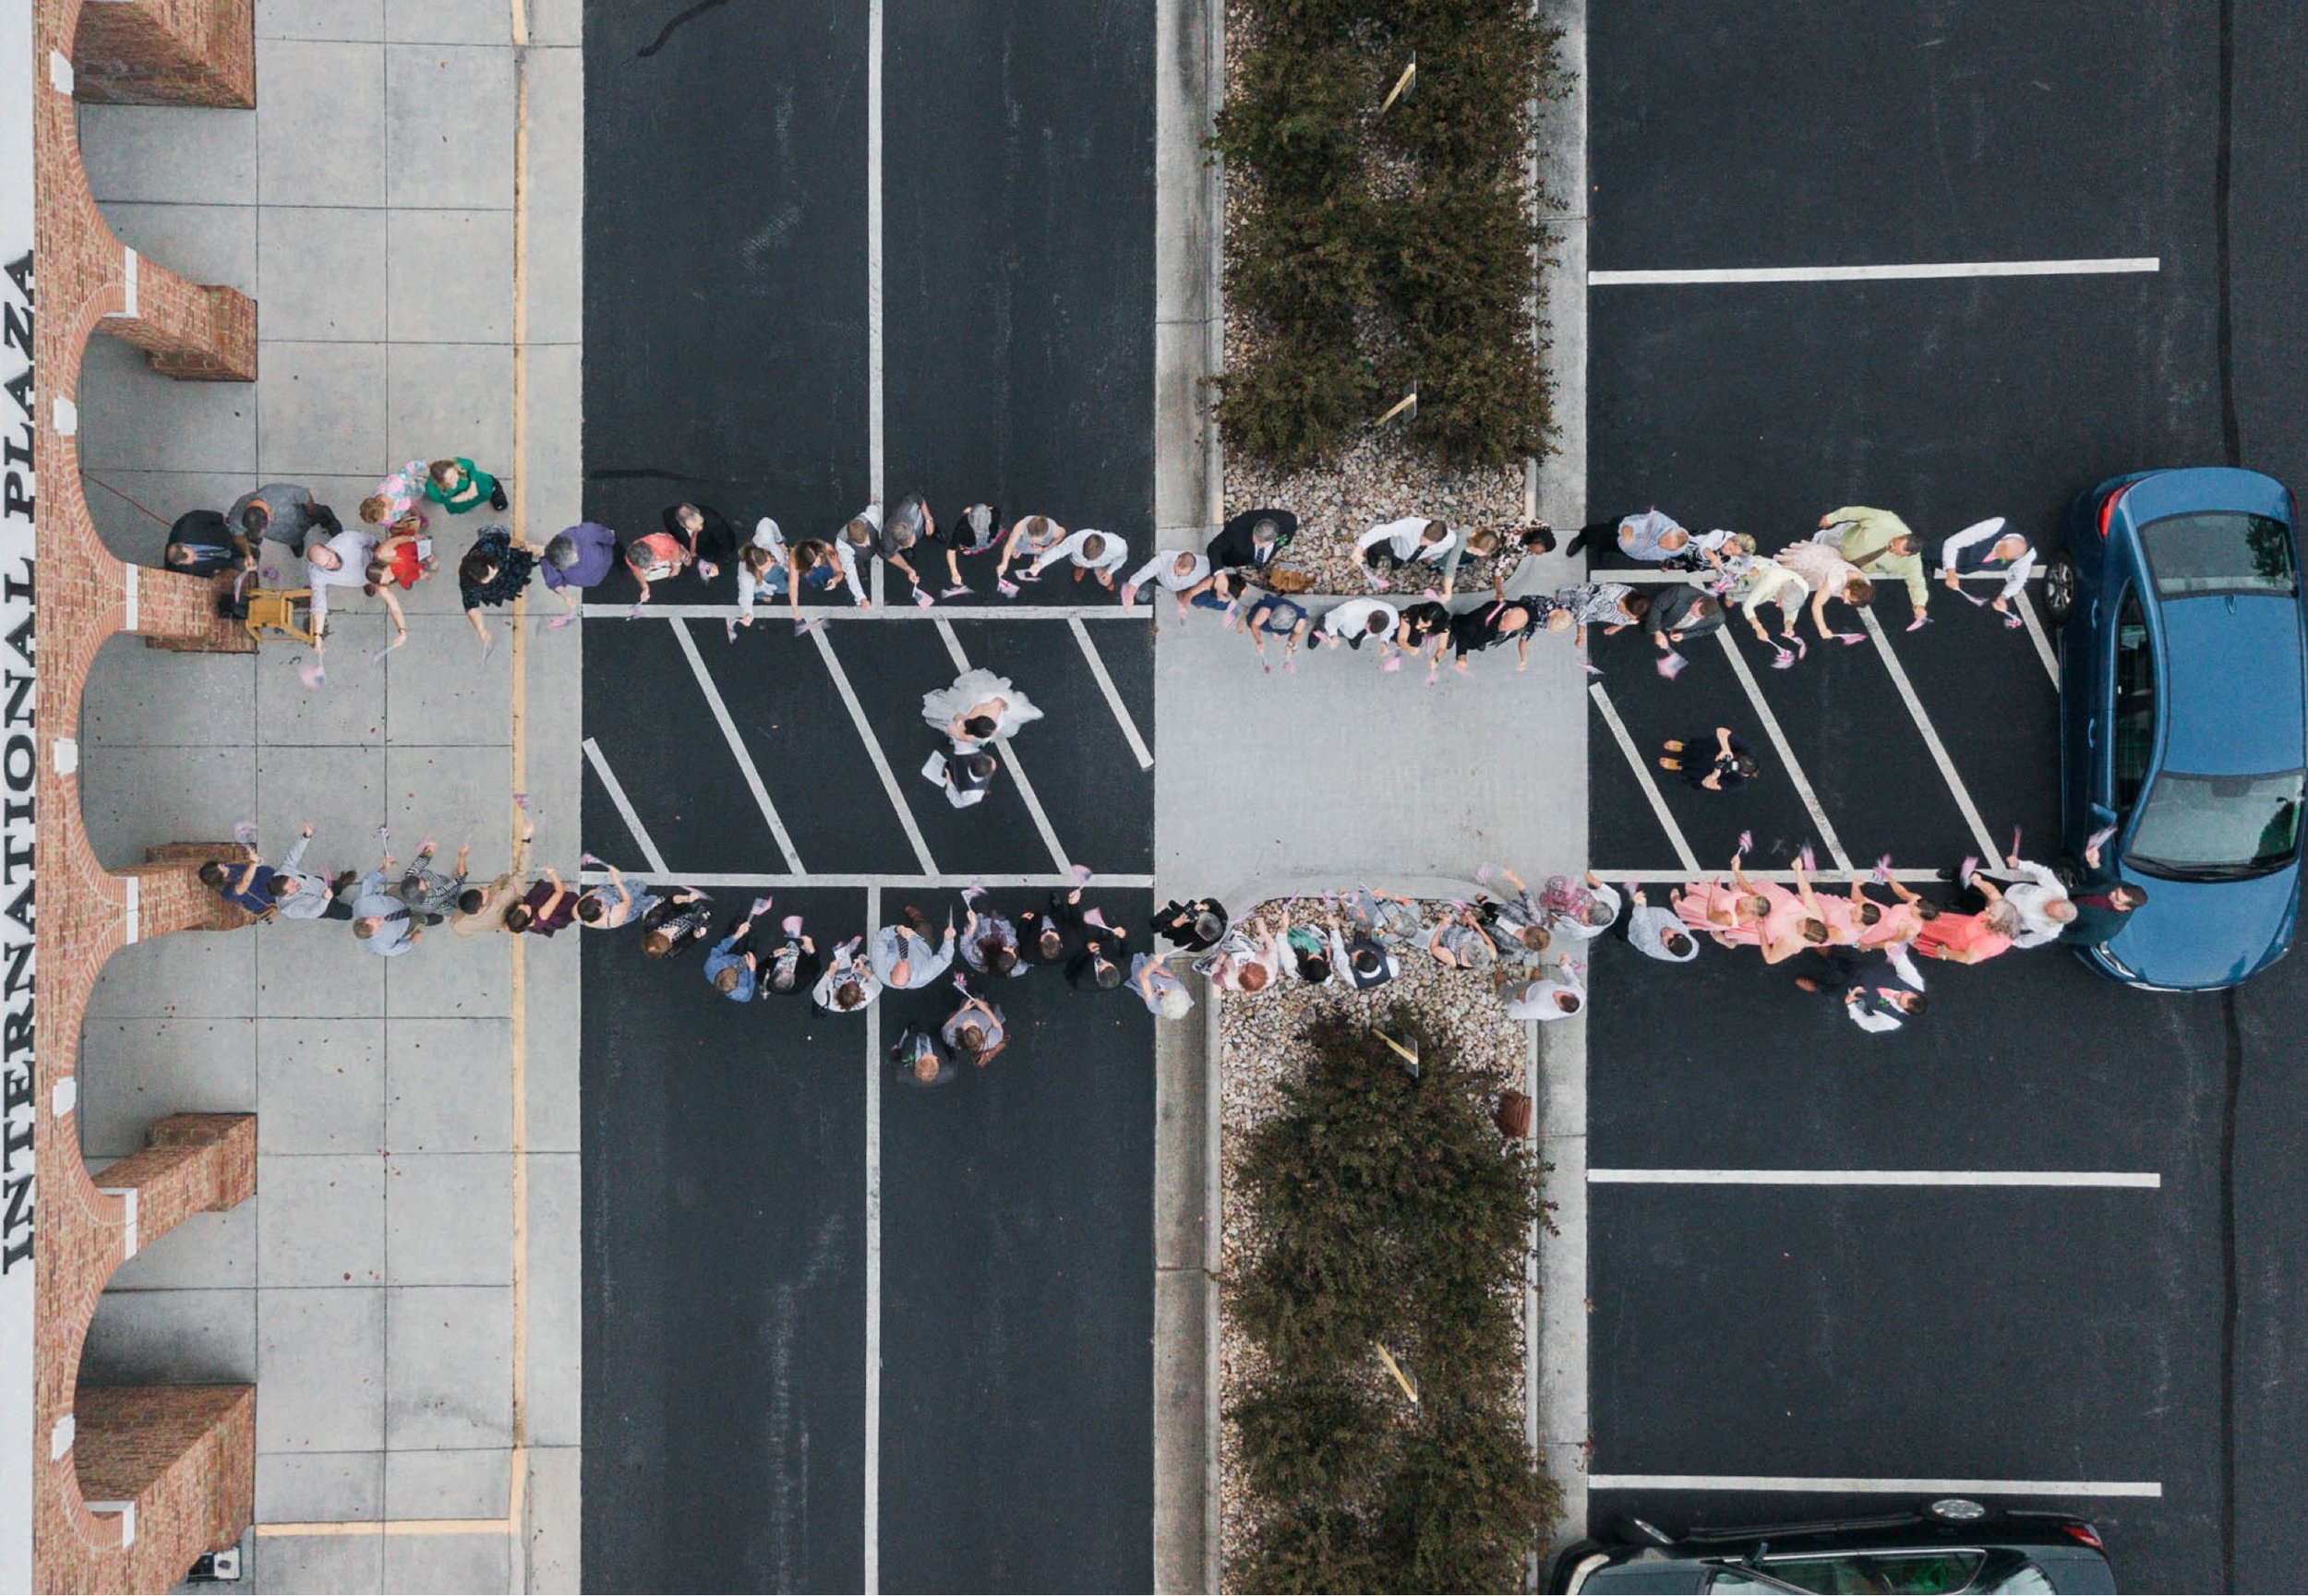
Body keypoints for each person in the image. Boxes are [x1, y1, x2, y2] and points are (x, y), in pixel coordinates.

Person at [1820, 505, 1929, 628]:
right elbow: (1856, 512)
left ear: (1908, 555)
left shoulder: (1911, 561)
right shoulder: (1885, 521)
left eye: (1896, 553)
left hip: (1852, 567)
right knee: (1813, 549)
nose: (1891, 549)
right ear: (1901, 536)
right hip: (1840, 541)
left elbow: (1917, 582)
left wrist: (1919, 605)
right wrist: (1832, 518)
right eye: (1893, 544)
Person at [1792, 947, 1927, 1032]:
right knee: (1847, 965)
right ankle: (1831, 958)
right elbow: (1900, 959)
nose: (1897, 995)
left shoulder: (1891, 1021)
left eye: (1898, 1000)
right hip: (1865, 972)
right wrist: (1891, 947)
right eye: (1902, 993)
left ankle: (1818, 987)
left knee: (1834, 992)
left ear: (1905, 1011)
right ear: (1914, 993)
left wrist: (1850, 1004)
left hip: (1856, 994)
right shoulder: (1915, 983)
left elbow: (1866, 1024)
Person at [305, 522, 384, 661]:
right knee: (362, 581)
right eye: (324, 565)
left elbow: (370, 540)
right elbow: (319, 602)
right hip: (357, 579)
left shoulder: (347, 540)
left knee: (379, 580)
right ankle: (366, 583)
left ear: (329, 548)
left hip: (373, 565)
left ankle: (370, 581)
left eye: (329, 559)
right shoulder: (316, 573)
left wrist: (381, 559)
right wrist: (317, 635)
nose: (331, 564)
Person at [1768, 539, 1875, 640]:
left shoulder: (1865, 583)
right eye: (1849, 598)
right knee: (1785, 576)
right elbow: (1817, 604)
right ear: (1849, 586)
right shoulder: (1837, 578)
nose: (1846, 602)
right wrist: (1822, 629)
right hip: (1813, 562)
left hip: (1829, 557)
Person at [1939, 517, 2034, 625]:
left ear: (2015, 558)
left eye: (2001, 558)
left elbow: (2019, 581)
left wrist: (2004, 596)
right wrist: (1950, 571)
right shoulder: (1995, 527)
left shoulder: (2027, 557)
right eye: (1997, 549)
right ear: (2003, 539)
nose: (1993, 555)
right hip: (1944, 549)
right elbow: (1952, 542)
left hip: (1964, 566)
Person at [461, 525, 541, 647]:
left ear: (489, 565)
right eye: (488, 579)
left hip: (508, 563)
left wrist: (522, 546)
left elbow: (508, 541)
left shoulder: (489, 544)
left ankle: (491, 530)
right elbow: (472, 607)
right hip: (498, 585)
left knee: (499, 535)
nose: (493, 575)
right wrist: (481, 630)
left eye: (491, 572)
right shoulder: (468, 583)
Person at [1976, 851, 2075, 948]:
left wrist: (2006, 941)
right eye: (2050, 903)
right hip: (2008, 891)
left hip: (1998, 916)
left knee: (1969, 903)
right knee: (1974, 878)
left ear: (2054, 920)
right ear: (2060, 899)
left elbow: (2026, 941)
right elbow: (2042, 872)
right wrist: (2020, 864)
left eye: (2047, 911)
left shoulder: (2050, 931)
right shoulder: (2058, 890)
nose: (2045, 906)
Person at [2060, 838, 2148, 946]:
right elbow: (2107, 878)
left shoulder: (2108, 928)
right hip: (2062, 896)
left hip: (2056, 918)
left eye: (2117, 898)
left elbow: (2070, 937)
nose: (2112, 893)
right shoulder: (2122, 887)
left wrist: (2045, 928)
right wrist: (2094, 862)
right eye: (2116, 891)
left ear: (2126, 908)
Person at [452, 820, 535, 935]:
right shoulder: (503, 897)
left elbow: (458, 928)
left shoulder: (459, 925)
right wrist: (526, 839)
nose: (484, 889)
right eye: (483, 893)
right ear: (480, 907)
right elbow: (521, 872)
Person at [921, 668, 1042, 746]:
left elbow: (999, 700)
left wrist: (1005, 707)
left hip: (986, 700)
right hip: (982, 704)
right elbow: (956, 732)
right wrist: (1005, 708)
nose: (995, 732)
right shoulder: (967, 734)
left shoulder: (991, 711)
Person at [1438, 522, 1556, 602]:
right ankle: (1438, 562)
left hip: (1491, 538)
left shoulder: (1543, 528)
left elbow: (1536, 522)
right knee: (1462, 556)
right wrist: (1499, 591)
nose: (1540, 554)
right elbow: (1498, 569)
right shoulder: (1513, 544)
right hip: (1490, 544)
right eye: (1542, 550)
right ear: (1537, 541)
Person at [268, 823, 358, 921]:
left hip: (319, 884)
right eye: (292, 886)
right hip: (322, 906)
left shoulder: (284, 872)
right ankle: (354, 912)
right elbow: (313, 911)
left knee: (336, 885)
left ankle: (341, 884)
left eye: (292, 880)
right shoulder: (290, 910)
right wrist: (325, 899)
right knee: (347, 913)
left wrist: (306, 837)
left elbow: (294, 854)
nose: (296, 883)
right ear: (286, 895)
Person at [350, 854, 434, 955]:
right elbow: (394, 950)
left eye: (375, 919)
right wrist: (412, 940)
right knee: (421, 919)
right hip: (406, 924)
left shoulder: (362, 903)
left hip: (396, 897)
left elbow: (370, 882)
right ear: (372, 936)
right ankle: (425, 919)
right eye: (379, 926)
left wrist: (384, 868)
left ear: (364, 917)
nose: (381, 920)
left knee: (417, 890)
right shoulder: (380, 945)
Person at [540, 521, 623, 614]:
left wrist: (565, 596)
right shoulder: (582, 533)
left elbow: (554, 582)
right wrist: (566, 596)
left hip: (594, 578)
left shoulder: (583, 534)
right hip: (606, 558)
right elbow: (606, 536)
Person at [226, 482, 328, 558]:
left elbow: (305, 496)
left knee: (321, 515)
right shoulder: (236, 517)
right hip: (285, 535)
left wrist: (311, 512)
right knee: (293, 539)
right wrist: (248, 555)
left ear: (269, 514)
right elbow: (238, 537)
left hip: (303, 516)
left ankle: (329, 521)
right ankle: (296, 542)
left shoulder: (278, 492)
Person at [1353, 516, 1456, 590]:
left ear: (1439, 541)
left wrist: (1432, 558)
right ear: (1424, 529)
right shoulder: (1411, 525)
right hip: (1392, 546)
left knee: (1398, 561)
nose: (1422, 542)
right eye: (1423, 537)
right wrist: (1360, 547)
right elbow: (1381, 531)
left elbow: (1442, 551)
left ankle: (1396, 560)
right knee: (1377, 547)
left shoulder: (1450, 541)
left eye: (1428, 543)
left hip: (1406, 555)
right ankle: (1372, 552)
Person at [871, 906, 957, 990]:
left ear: (891, 971)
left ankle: (910, 922)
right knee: (924, 926)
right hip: (921, 945)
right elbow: (944, 959)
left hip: (895, 941)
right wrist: (948, 940)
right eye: (907, 964)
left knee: (895, 930)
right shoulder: (924, 974)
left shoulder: (880, 968)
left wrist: (897, 930)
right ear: (910, 975)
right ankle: (917, 917)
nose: (904, 960)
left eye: (898, 963)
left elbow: (879, 940)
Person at [1447, 599, 1544, 673]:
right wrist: (1461, 656)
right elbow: (1465, 632)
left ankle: (1479, 641)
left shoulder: (1528, 615)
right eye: (1503, 624)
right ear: (1507, 612)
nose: (1502, 629)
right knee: (1469, 634)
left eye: (1508, 628)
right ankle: (1455, 627)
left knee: (1480, 639)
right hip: (1477, 624)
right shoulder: (1484, 615)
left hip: (1488, 631)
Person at [1193, 915, 1283, 992]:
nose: (1243, 963)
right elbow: (1272, 946)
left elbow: (1215, 977)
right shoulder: (1271, 969)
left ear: (1239, 979)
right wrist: (1263, 930)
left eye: (1241, 969)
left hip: (1222, 960)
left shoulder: (1229, 980)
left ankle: (1202, 964)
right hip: (1244, 949)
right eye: (1248, 964)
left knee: (1199, 965)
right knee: (1235, 938)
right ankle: (1231, 935)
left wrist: (1219, 961)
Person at [926, 502, 1004, 591]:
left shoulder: (963, 525)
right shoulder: (995, 514)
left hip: (970, 541)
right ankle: (974, 549)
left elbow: (951, 550)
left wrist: (954, 572)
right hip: (988, 538)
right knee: (985, 543)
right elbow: (992, 508)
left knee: (969, 546)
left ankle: (969, 550)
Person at [1564, 509, 1688, 564]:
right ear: (1667, 531)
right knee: (1600, 532)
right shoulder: (1656, 522)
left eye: (1667, 547)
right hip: (1623, 532)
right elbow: (1630, 526)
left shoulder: (1677, 550)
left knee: (1611, 546)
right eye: (1664, 541)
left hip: (1632, 548)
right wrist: (1628, 538)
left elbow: (1669, 554)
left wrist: (1665, 562)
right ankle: (1582, 538)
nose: (1662, 545)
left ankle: (1601, 547)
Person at [1120, 547, 1219, 616]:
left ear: (1192, 570)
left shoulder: (1205, 566)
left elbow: (1215, 575)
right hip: (1160, 578)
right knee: (1147, 575)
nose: (1176, 575)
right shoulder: (1161, 561)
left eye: (1181, 574)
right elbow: (1138, 577)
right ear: (1176, 560)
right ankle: (1147, 584)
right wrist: (1130, 594)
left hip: (1180, 586)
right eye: (1175, 571)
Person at [1555, 582, 1648, 652]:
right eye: (1626, 613)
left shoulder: (1635, 603)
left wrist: (1617, 627)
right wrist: (1581, 636)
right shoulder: (1608, 593)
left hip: (1594, 613)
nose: (1625, 617)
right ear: (1625, 602)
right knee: (1558, 602)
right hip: (1583, 598)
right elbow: (1582, 608)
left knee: (1564, 618)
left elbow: (1631, 620)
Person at [732, 518, 790, 628]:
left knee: (784, 541)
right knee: (785, 587)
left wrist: (779, 542)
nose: (769, 566)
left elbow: (768, 522)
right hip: (769, 577)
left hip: (779, 554)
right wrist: (748, 613)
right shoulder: (745, 574)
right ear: (754, 568)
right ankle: (761, 594)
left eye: (768, 562)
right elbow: (745, 595)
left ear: (765, 552)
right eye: (763, 568)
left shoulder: (764, 536)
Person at [1659, 727, 1760, 791]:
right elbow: (1721, 730)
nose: (1733, 761)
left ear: (1744, 774)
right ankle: (1683, 747)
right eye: (1736, 760)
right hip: (1710, 749)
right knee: (1694, 748)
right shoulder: (1747, 750)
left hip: (1706, 770)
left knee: (1690, 768)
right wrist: (1726, 749)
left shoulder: (1739, 783)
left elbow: (1707, 784)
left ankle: (1678, 765)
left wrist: (1715, 773)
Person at [1205, 508, 1297, 576]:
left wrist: (1284, 542)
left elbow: (1286, 539)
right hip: (1235, 557)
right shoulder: (1236, 529)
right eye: (1257, 540)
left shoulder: (1288, 522)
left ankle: (1260, 564)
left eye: (1263, 544)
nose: (1259, 545)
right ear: (1254, 529)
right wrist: (1219, 573)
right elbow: (1214, 547)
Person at [1030, 528, 1130, 589]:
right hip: (1078, 561)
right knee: (1079, 563)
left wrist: (1109, 572)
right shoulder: (1076, 539)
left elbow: (1121, 559)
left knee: (1106, 582)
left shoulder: (1118, 547)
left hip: (1102, 565)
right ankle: (1081, 567)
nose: (1089, 561)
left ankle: (1104, 577)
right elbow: (1059, 551)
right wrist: (1040, 563)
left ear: (1103, 549)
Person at [1617, 888, 1700, 962]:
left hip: (1629, 927)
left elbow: (1642, 921)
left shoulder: (1649, 942)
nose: (1668, 933)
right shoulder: (1687, 937)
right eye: (1676, 934)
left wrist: (1640, 905)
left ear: (1667, 949)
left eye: (1669, 941)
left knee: (1619, 924)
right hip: (1644, 915)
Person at [165, 509, 256, 575]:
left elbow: (214, 517)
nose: (195, 558)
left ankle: (252, 548)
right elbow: (211, 572)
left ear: (184, 545)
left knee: (249, 545)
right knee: (243, 563)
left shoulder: (188, 524)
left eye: (193, 555)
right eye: (192, 560)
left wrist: (235, 526)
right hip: (224, 561)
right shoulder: (183, 570)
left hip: (226, 537)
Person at [394, 838, 469, 918]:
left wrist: (428, 851)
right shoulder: (434, 897)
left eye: (421, 879)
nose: (428, 882)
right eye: (426, 886)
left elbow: (421, 861)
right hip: (442, 902)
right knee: (456, 904)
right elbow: (458, 879)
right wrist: (462, 856)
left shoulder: (410, 876)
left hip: (430, 901)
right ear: (426, 894)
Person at [1240, 592, 1314, 671]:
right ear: (1270, 615)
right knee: (1249, 623)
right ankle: (1247, 613)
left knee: (1278, 631)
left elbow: (1297, 633)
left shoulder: (1300, 621)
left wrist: (1290, 644)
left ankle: (1276, 632)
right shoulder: (1265, 610)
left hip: (1279, 622)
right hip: (1263, 617)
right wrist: (1259, 641)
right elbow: (1254, 625)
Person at [1544, 871, 1624, 942]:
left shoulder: (1579, 932)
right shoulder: (1613, 899)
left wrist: (1553, 920)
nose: (1585, 906)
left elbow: (1562, 931)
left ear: (1590, 922)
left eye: (1587, 911)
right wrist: (1591, 879)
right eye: (1591, 904)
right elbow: (1599, 884)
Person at [663, 502, 737, 579]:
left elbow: (727, 542)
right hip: (690, 549)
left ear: (698, 512)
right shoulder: (669, 518)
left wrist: (719, 564)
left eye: (701, 523)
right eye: (695, 528)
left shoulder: (713, 521)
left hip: (711, 546)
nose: (700, 528)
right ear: (683, 525)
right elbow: (673, 537)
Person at [703, 909, 765, 1001]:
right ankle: (750, 944)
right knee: (750, 953)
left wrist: (736, 935)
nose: (736, 967)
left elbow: (720, 949)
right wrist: (752, 970)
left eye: (730, 967)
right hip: (747, 966)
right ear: (735, 985)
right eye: (736, 973)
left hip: (730, 954)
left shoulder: (710, 965)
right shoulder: (741, 993)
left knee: (730, 936)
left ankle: (736, 927)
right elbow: (749, 992)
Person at [993, 514, 1069, 587]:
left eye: (1036, 538)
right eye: (1030, 536)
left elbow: (1062, 535)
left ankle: (1037, 556)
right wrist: (1004, 563)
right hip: (1022, 543)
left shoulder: (1056, 530)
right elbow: (1009, 545)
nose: (1032, 541)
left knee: (1038, 562)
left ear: (1045, 533)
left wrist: (1046, 548)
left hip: (1040, 547)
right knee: (1015, 555)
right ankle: (1022, 551)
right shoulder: (1020, 526)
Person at [622, 527, 692, 606]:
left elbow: (675, 548)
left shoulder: (659, 542)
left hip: (671, 548)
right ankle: (667, 567)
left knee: (686, 560)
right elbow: (637, 571)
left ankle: (684, 554)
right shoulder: (631, 559)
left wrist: (677, 566)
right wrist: (645, 588)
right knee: (646, 577)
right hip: (663, 556)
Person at [1644, 582, 1724, 653]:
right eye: (1693, 611)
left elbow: (1705, 631)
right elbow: (1657, 607)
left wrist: (1685, 635)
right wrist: (1657, 631)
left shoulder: (1718, 619)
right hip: (1662, 620)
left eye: (1697, 617)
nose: (1693, 615)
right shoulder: (1679, 593)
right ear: (1698, 600)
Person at [1328, 913, 1400, 990]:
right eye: (1359, 951)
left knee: (1334, 952)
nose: (1352, 953)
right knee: (1379, 931)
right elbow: (1377, 940)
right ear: (1372, 953)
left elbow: (1338, 949)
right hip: (1374, 944)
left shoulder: (1348, 972)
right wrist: (1365, 921)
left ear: (1354, 964)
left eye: (1352, 957)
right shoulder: (1392, 964)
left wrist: (1334, 928)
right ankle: (1366, 939)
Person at [1019, 890, 1090, 967]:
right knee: (1059, 913)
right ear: (1061, 944)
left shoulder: (1029, 954)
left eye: (1044, 932)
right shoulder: (1075, 943)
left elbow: (1021, 936)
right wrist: (1073, 905)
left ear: (1038, 944)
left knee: (1037, 918)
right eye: (1052, 931)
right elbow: (1078, 922)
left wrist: (1025, 920)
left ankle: (1043, 913)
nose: (1048, 930)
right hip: (1059, 922)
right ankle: (1057, 906)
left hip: (1035, 924)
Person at [1318, 597, 1400, 663]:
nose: (1369, 632)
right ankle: (1317, 629)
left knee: (1355, 639)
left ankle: (1353, 639)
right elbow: (1332, 620)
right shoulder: (1351, 610)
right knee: (1324, 623)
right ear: (1368, 619)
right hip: (1343, 626)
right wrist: (1333, 636)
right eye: (1369, 629)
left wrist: (1384, 643)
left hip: (1354, 631)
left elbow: (1388, 631)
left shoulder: (1393, 618)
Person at [638, 887, 715, 956]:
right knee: (705, 922)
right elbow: (688, 940)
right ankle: (704, 914)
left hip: (680, 909)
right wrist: (696, 935)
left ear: (655, 931)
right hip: (689, 925)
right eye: (670, 939)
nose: (670, 935)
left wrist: (686, 898)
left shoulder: (652, 919)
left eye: (665, 934)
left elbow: (669, 903)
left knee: (692, 905)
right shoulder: (672, 951)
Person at [813, 935, 882, 1014]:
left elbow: (820, 986)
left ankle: (843, 953)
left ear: (837, 993)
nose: (846, 980)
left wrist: (830, 971)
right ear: (860, 993)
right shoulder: (869, 992)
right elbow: (877, 984)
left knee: (841, 973)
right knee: (868, 967)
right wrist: (863, 969)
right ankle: (846, 954)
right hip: (854, 982)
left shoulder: (822, 998)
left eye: (845, 984)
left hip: (829, 990)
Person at [942, 989, 1010, 1067]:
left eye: (968, 1024)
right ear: (980, 1032)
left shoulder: (949, 1035)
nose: (971, 1020)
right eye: (974, 1025)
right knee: (992, 1015)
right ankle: (997, 1016)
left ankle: (975, 1002)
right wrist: (985, 1009)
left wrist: (963, 1009)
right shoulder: (992, 1039)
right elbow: (998, 1027)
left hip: (973, 1013)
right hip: (984, 1018)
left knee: (954, 1013)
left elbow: (946, 1025)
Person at [198, 853, 276, 920]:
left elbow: (248, 869)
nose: (225, 866)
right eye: (222, 869)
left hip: (272, 879)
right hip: (269, 896)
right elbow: (245, 882)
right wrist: (254, 863)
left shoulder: (229, 868)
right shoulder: (227, 892)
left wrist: (256, 860)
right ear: (220, 878)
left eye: (221, 865)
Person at [1501, 959, 1584, 1020]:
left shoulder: (1541, 1010)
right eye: (1561, 992)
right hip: (1541, 986)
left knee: (1510, 994)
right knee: (1542, 985)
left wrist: (1519, 1001)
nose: (1555, 993)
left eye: (1556, 999)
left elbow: (1512, 1013)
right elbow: (1572, 979)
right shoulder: (1579, 993)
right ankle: (1536, 981)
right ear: (1572, 994)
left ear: (1560, 1008)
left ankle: (1501, 988)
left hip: (1526, 996)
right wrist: (1564, 966)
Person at [574, 863, 652, 929]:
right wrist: (617, 881)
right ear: (600, 909)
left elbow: (580, 903)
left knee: (635, 887)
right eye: (600, 903)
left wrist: (590, 892)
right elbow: (627, 902)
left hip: (615, 899)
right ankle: (648, 900)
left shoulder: (577, 913)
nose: (601, 899)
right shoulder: (615, 916)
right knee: (640, 897)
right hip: (626, 906)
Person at [921, 745, 1000, 809]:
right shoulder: (975, 794)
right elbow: (958, 803)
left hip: (955, 759)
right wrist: (949, 783)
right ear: (986, 775)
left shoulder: (967, 750)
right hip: (957, 780)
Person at [760, 917, 823, 996]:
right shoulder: (801, 982)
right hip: (802, 958)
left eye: (782, 969)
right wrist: (812, 949)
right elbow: (816, 966)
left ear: (773, 974)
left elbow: (761, 966)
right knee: (808, 948)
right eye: (788, 971)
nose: (787, 966)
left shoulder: (763, 975)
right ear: (793, 978)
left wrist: (772, 955)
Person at [1426, 905, 1499, 970]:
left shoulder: (1454, 960)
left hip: (1443, 937)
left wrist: (1441, 926)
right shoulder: (1492, 953)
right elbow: (1483, 935)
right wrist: (1474, 923)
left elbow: (1434, 948)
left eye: (1466, 946)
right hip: (1461, 931)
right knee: (1464, 915)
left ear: (1466, 955)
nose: (1467, 943)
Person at [426, 457, 508, 515]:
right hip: (459, 500)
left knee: (488, 487)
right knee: (467, 505)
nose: (456, 477)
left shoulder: (459, 465)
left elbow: (471, 465)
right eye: (450, 478)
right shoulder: (432, 489)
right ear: (441, 482)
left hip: (477, 484)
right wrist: (457, 499)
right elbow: (441, 500)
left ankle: (495, 489)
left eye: (454, 472)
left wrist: (473, 485)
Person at [960, 906, 1025, 978]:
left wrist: (973, 926)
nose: (1012, 949)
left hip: (980, 931)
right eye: (1013, 954)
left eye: (1009, 951)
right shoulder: (1019, 969)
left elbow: (964, 945)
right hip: (1002, 931)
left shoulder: (975, 959)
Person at [517, 868, 580, 938]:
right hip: (561, 909)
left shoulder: (538, 915)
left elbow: (559, 893)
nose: (524, 905)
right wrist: (551, 874)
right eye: (524, 908)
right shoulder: (541, 915)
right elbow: (559, 893)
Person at [1130, 952, 1195, 1019]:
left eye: (1170, 991)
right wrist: (1159, 970)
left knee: (1134, 968)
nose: (1172, 988)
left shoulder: (1155, 1006)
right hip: (1157, 984)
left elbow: (1142, 976)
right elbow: (1172, 979)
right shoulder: (1182, 995)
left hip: (1144, 980)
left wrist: (1154, 964)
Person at [1152, 897, 1228, 952]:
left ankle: (1161, 913)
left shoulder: (1195, 944)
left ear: (1197, 932)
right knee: (1176, 906)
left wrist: (1174, 924)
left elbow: (1177, 942)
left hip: (1181, 930)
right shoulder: (1222, 918)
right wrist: (1205, 906)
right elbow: (1214, 903)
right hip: (1189, 922)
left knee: (1159, 921)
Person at [893, 1025, 958, 1087]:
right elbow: (952, 1055)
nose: (935, 1057)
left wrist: (895, 1051)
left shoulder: (903, 1074)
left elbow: (895, 1059)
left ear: (917, 1063)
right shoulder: (949, 1071)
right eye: (934, 1059)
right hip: (937, 1038)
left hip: (912, 1037)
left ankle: (913, 1030)